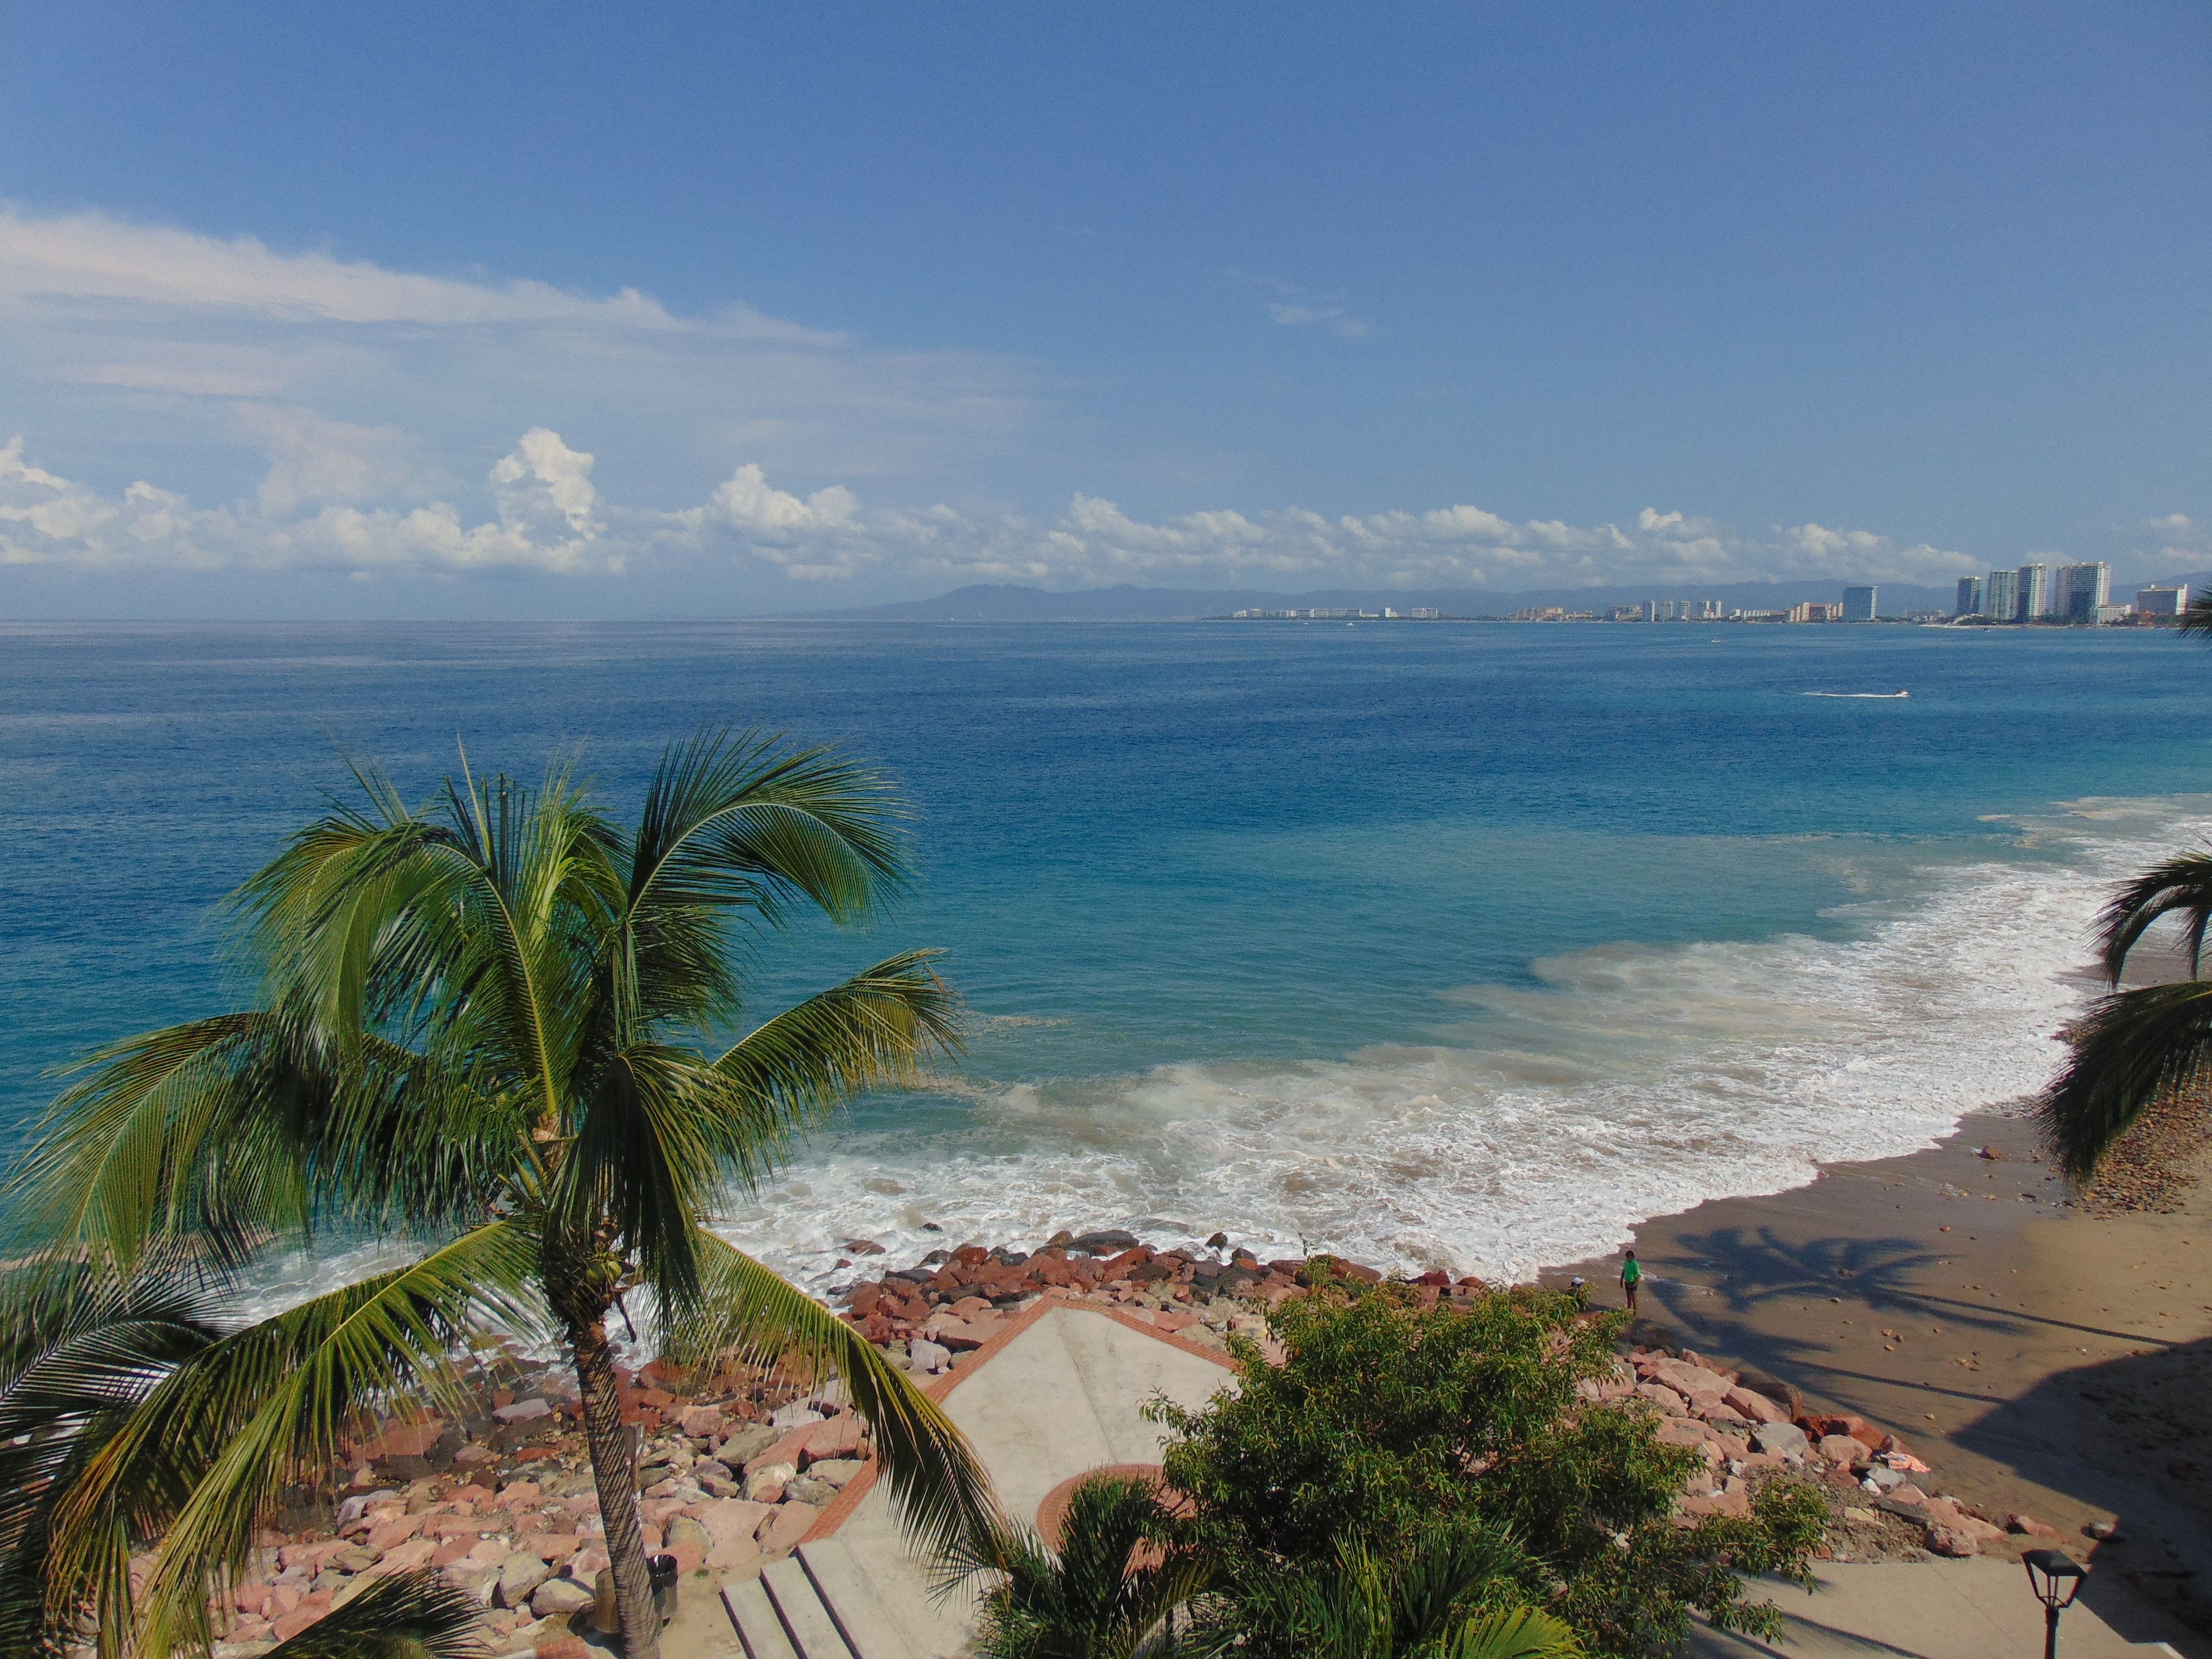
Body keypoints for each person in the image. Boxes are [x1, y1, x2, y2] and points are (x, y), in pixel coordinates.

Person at [1620, 1249, 1641, 1315]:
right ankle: (1628, 1310)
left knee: (1634, 1298)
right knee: (1628, 1297)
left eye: (1630, 1257)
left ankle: (1635, 1313)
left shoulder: (1635, 1264)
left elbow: (1639, 1275)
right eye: (1628, 1257)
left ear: (1633, 1257)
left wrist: (1635, 1283)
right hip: (1627, 1282)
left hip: (1633, 1282)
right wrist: (1621, 1281)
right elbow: (1624, 1271)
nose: (1629, 1258)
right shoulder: (1626, 1263)